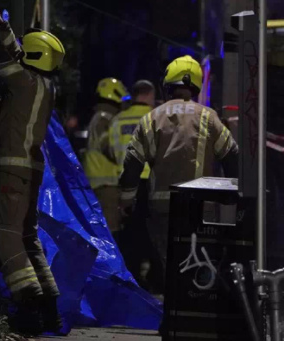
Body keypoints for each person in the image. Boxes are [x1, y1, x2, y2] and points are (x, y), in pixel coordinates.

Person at [118, 56, 239, 292]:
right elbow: (231, 156)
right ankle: (192, 315)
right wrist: (233, 197)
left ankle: (172, 317)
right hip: (201, 209)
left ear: (168, 83)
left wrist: (126, 200)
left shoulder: (151, 118)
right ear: (195, 85)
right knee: (199, 266)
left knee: (169, 263)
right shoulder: (208, 117)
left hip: (162, 208)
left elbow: (132, 162)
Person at [0, 8, 65, 335]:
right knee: (29, 238)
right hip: (31, 171)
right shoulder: (44, 86)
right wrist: (1, 22)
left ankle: (28, 304)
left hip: (9, 169)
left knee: (6, 236)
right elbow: (16, 53)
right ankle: (50, 307)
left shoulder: (19, 79)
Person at [108, 80, 155, 289]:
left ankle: (131, 278)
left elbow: (111, 149)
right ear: (149, 95)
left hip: (126, 181)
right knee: (151, 230)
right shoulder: (156, 117)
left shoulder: (118, 119)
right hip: (150, 180)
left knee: (129, 233)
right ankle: (153, 279)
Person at [83, 77, 129, 238]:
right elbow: (110, 148)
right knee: (111, 231)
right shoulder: (105, 118)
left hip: (99, 183)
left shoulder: (100, 116)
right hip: (105, 184)